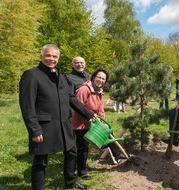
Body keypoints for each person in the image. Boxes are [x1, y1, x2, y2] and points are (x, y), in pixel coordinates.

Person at [19, 44, 97, 189]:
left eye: (55, 56)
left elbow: (71, 98)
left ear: (58, 58)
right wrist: (34, 129)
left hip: (63, 123)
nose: (52, 59)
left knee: (72, 152)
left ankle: (70, 182)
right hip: (44, 126)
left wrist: (89, 114)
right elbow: (27, 105)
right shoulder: (31, 75)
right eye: (48, 55)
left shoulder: (60, 77)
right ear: (41, 56)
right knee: (40, 161)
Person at [71, 68, 125, 177]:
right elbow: (78, 107)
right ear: (94, 77)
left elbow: (100, 109)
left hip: (93, 121)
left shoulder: (99, 91)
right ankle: (81, 173)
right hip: (81, 123)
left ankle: (119, 155)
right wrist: (90, 117)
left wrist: (103, 121)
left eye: (103, 79)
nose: (101, 80)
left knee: (107, 132)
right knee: (82, 148)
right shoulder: (84, 89)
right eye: (99, 77)